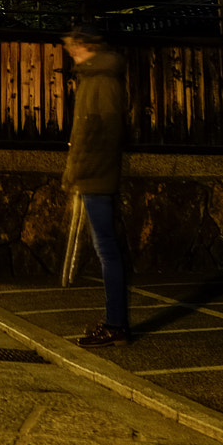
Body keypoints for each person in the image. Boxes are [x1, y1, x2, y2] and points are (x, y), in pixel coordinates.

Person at [62, 26, 130, 347]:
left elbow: (99, 132)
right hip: (95, 174)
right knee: (107, 248)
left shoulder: (100, 79)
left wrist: (79, 171)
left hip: (97, 175)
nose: (69, 51)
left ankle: (115, 324)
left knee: (107, 248)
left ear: (84, 45)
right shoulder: (94, 77)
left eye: (72, 46)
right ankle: (115, 321)